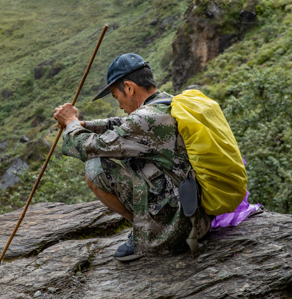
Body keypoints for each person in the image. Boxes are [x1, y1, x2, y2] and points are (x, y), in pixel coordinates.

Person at [53, 53, 211, 261]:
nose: (119, 105)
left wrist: (71, 122)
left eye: (116, 97)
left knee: (95, 168)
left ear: (128, 87)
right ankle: (150, 227)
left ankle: (147, 235)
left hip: (179, 226)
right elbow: (121, 125)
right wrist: (84, 125)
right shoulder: (167, 103)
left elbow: (89, 148)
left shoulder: (146, 119)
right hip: (195, 216)